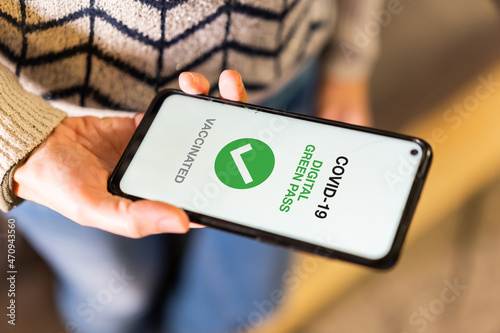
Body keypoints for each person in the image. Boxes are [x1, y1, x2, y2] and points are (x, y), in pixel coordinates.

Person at [0, 1, 382, 332]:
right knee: (115, 297)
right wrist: (15, 136)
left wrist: (348, 59)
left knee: (246, 300)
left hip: (279, 86)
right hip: (52, 128)